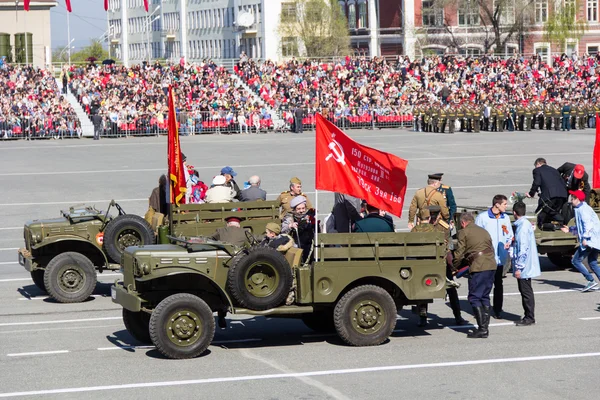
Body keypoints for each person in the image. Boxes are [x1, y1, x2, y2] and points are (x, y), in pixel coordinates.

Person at [412, 206, 467, 327]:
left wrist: (451, 265)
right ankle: (423, 316)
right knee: (423, 289)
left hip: (440, 262)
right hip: (426, 261)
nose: (432, 220)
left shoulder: (444, 227)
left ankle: (457, 316)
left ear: (438, 216)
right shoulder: (421, 226)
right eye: (429, 217)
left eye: (434, 217)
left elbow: (447, 248)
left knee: (451, 289)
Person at [452, 212, 497, 339]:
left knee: (474, 297)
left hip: (478, 266)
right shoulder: (484, 231)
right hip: (491, 264)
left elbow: (459, 253)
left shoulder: (463, 232)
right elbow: (490, 248)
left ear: (463, 223)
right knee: (485, 296)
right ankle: (485, 328)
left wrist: (454, 267)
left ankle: (482, 329)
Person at [475, 194, 514, 319]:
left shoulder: (505, 218)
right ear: (497, 204)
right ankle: (481, 309)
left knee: (499, 284)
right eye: (504, 204)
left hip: (500, 258)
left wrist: (508, 241)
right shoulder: (483, 218)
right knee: (485, 284)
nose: (506, 206)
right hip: (487, 258)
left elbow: (509, 234)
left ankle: (498, 309)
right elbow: (476, 236)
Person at [560, 190, 600, 292]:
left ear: (577, 199)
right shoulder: (580, 208)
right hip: (595, 240)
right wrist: (570, 229)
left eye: (572, 199)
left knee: (575, 260)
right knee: (592, 262)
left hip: (591, 240)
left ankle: (591, 281)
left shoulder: (583, 210)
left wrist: (586, 239)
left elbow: (588, 225)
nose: (571, 201)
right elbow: (580, 227)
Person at [511, 201, 541, 326]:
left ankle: (529, 317)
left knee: (525, 291)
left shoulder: (522, 227)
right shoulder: (525, 223)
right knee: (526, 290)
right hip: (527, 264)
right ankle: (529, 315)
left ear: (514, 213)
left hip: (524, 266)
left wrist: (519, 267)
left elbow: (523, 248)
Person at [526, 158, 569, 228]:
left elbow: (537, 183)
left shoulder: (537, 170)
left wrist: (531, 194)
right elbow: (562, 182)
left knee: (540, 214)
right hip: (562, 195)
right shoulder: (554, 170)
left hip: (550, 196)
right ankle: (562, 224)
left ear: (538, 164)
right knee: (552, 212)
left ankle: (540, 229)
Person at [281, 196, 316, 261]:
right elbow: (283, 231)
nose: (301, 211)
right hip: (294, 246)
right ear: (294, 210)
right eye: (299, 209)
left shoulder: (308, 217)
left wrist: (313, 224)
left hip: (308, 246)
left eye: (303, 208)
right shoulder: (289, 218)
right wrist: (290, 226)